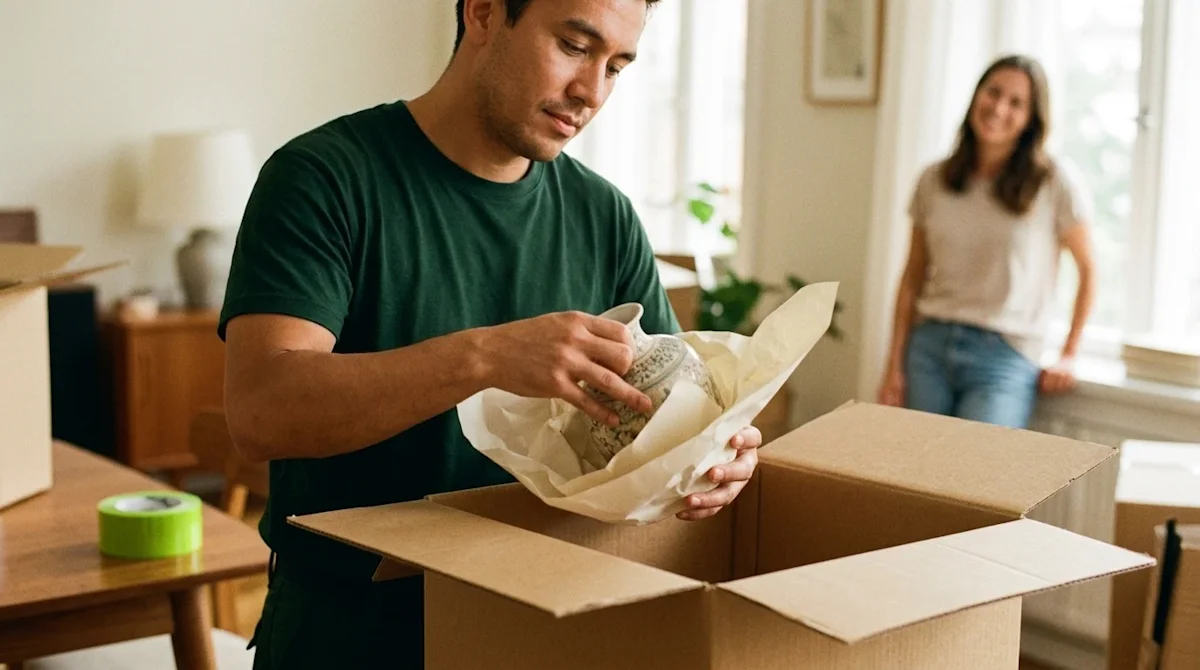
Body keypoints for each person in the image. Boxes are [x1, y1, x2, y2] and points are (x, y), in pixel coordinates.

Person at [218, 0, 764, 667]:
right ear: (482, 14)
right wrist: (485, 356)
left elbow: (672, 409)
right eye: (573, 45)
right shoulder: (323, 178)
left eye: (616, 66)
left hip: (546, 621)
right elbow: (260, 411)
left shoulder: (605, 216)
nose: (591, 92)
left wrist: (716, 448)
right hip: (351, 629)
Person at [877, 54, 1097, 429]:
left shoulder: (1053, 182)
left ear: (1031, 118)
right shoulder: (934, 179)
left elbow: (1088, 269)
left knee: (976, 480)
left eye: (1016, 102)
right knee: (916, 477)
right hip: (929, 348)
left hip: (1004, 358)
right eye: (992, 92)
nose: (998, 107)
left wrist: (1069, 353)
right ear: (976, 95)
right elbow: (912, 276)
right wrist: (893, 365)